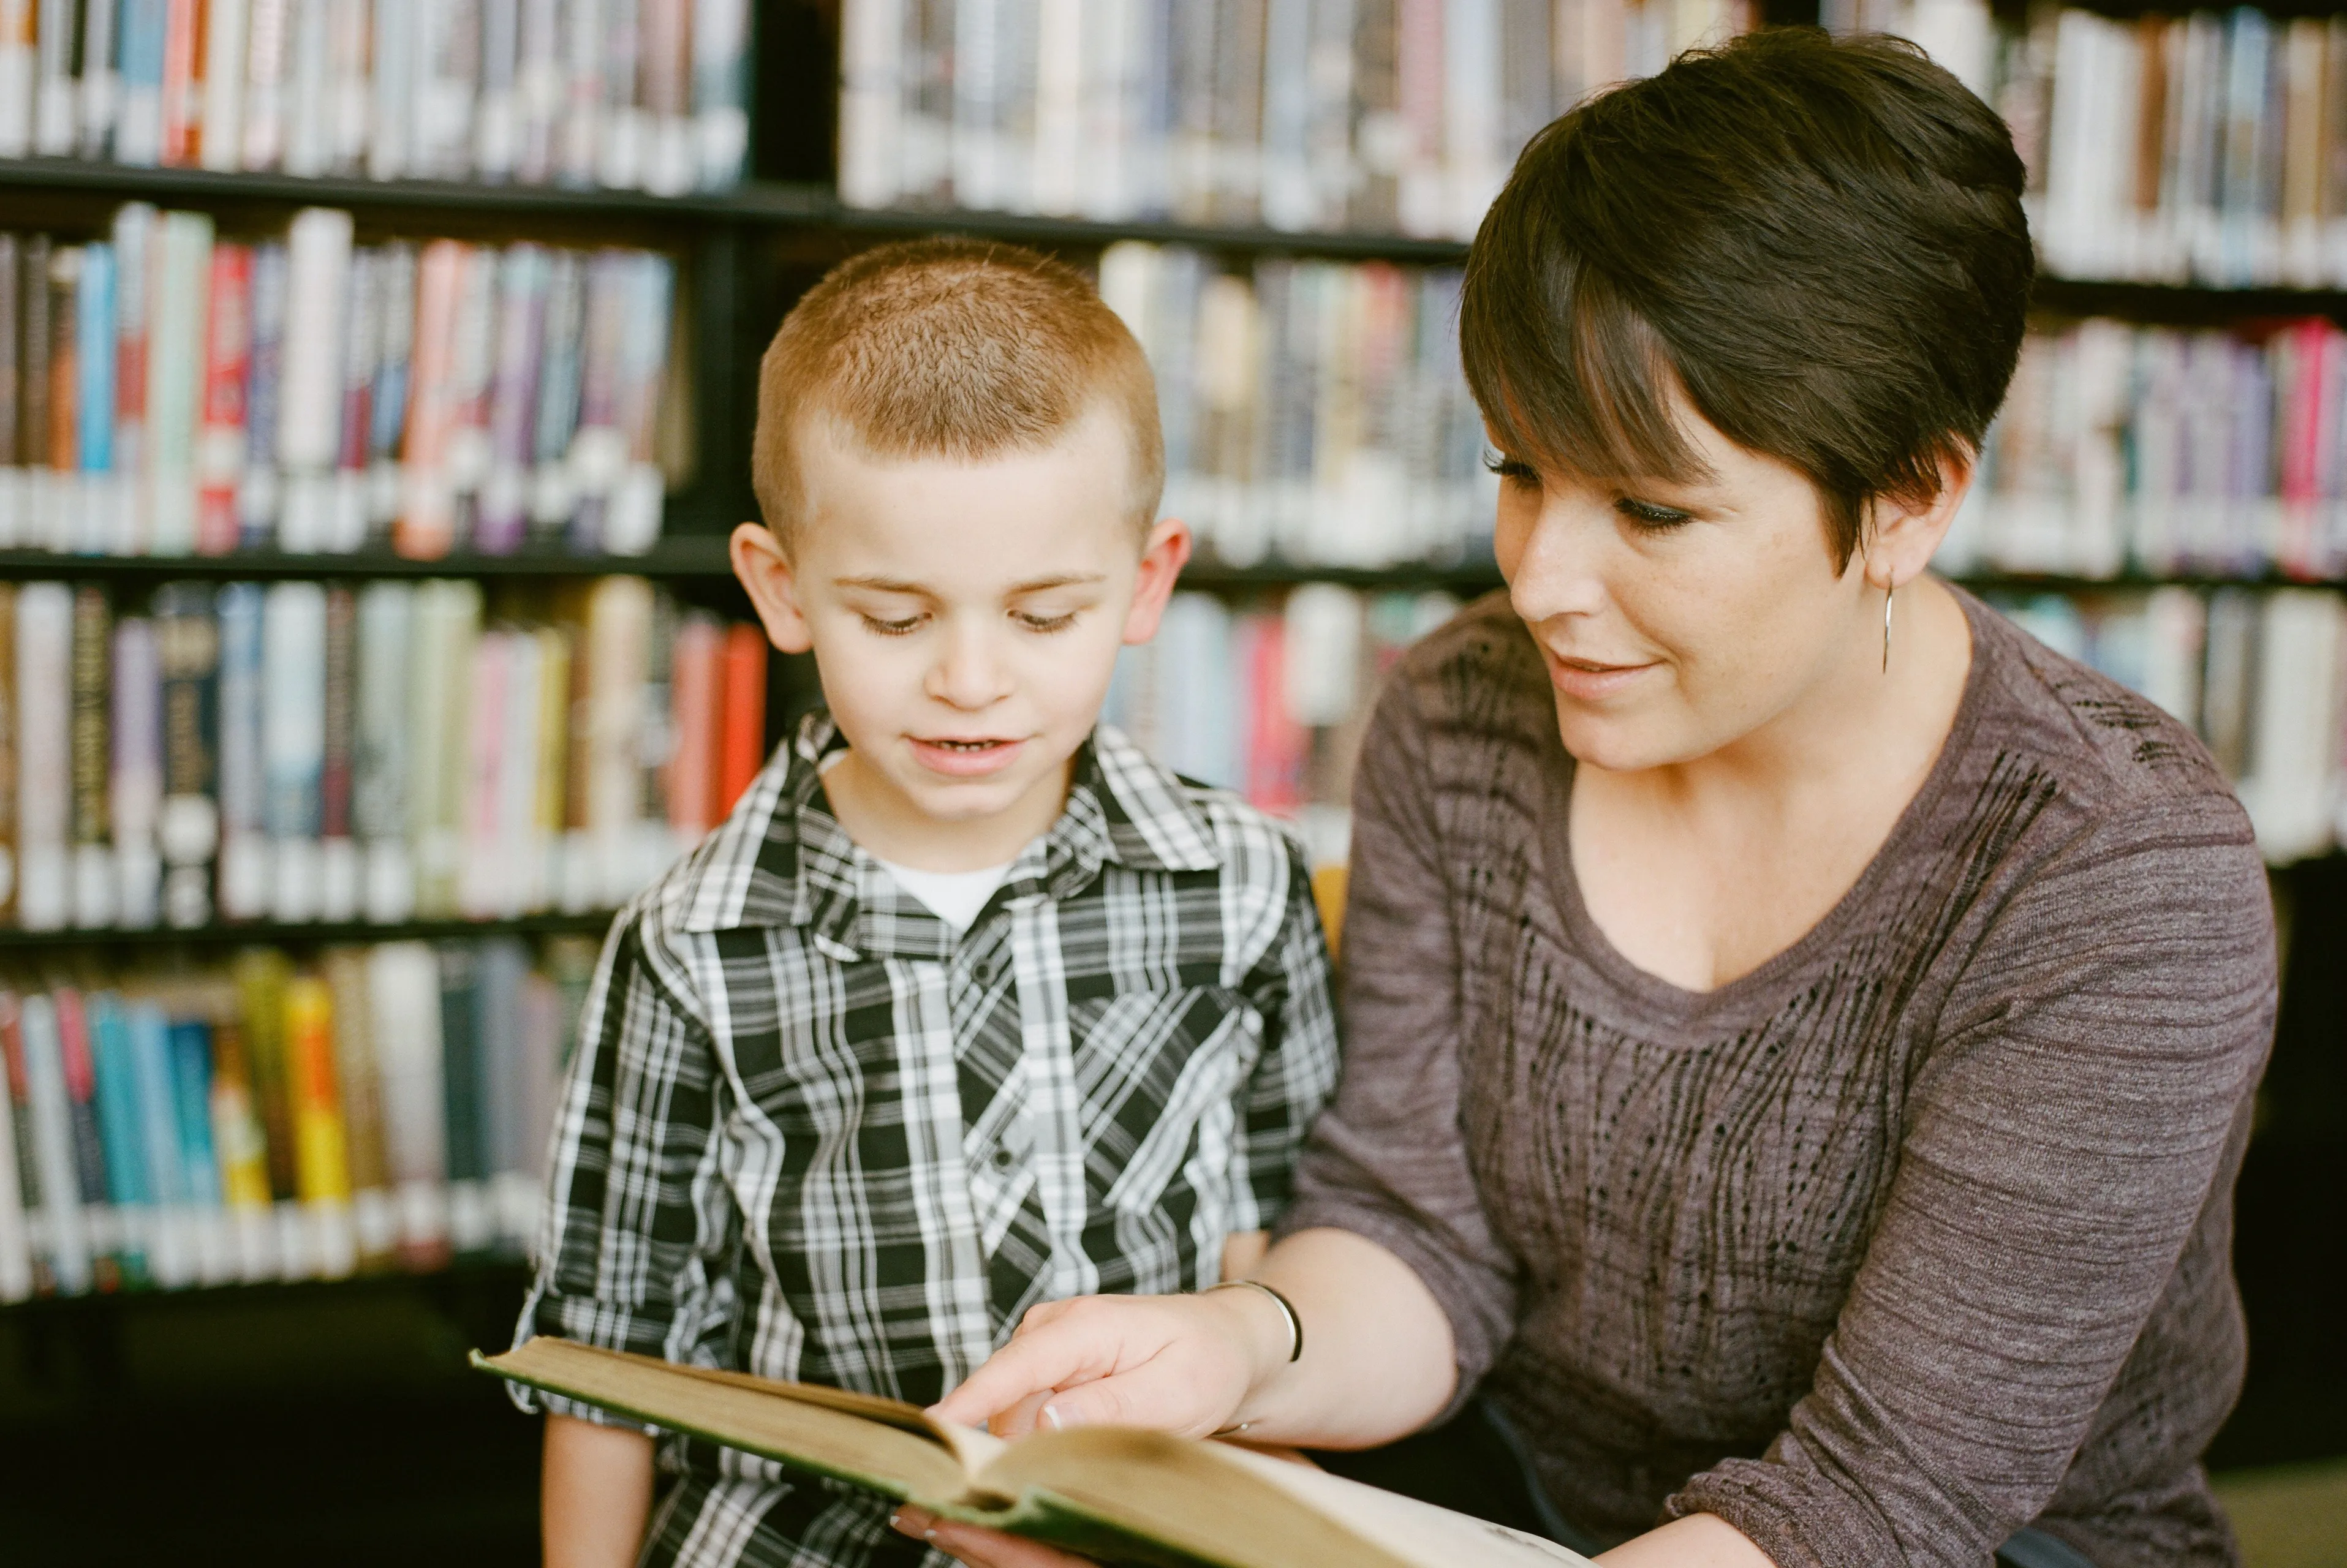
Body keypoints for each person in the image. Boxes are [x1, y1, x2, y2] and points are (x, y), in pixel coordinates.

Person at [900, 31, 2275, 1568]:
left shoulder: (2114, 871)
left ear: (1906, 499)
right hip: (1523, 1510)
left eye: (1649, 507)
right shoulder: (1462, 711)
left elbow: (1880, 1504)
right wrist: (1233, 1349)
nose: (1543, 580)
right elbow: (1419, 1237)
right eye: (1519, 470)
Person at [513, 238, 1342, 1568]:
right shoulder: (691, 942)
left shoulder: (1241, 883)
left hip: (1138, 1532)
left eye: (1041, 614)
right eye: (896, 618)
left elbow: (1291, 1238)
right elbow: (609, 1349)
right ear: (782, 590)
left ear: (1144, 583)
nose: (971, 680)